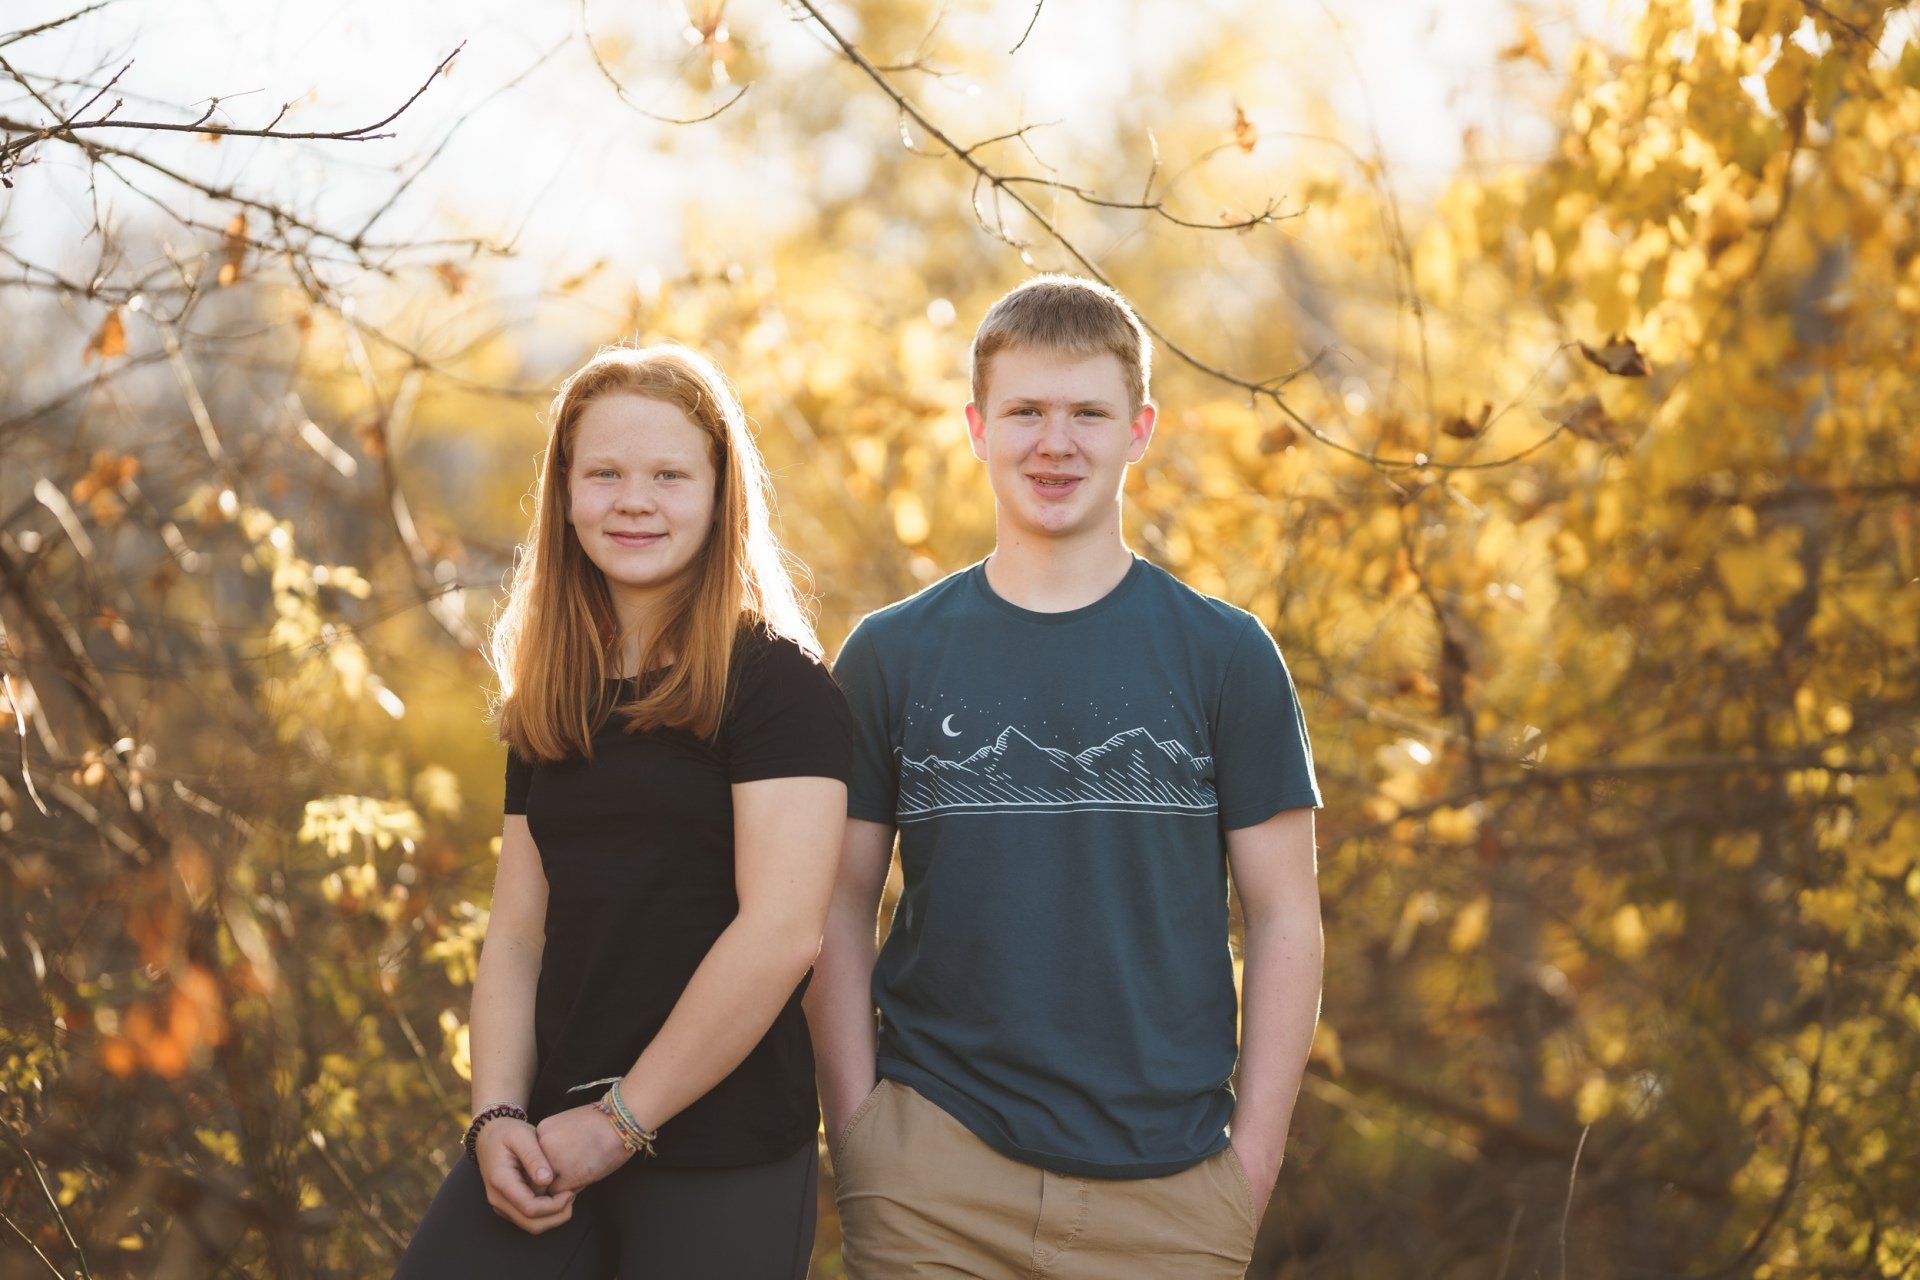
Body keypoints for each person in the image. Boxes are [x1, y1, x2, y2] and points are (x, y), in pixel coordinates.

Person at [806, 276, 1325, 1279]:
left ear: (1139, 429)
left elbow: (1288, 918)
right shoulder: (888, 655)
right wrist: (860, 1131)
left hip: (1172, 1192)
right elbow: (833, 902)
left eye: (1088, 412)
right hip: (932, 1179)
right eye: (1026, 412)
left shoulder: (1228, 656)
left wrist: (1247, 1171)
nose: (1056, 442)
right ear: (975, 427)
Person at [395, 342, 853, 1279]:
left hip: (719, 1146)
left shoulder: (776, 684)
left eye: (668, 475)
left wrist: (621, 1123)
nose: (633, 500)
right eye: (603, 473)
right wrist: (493, 1117)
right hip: (547, 1138)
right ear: (564, 494)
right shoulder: (552, 692)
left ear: (721, 496)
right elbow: (518, 938)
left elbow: (781, 933)